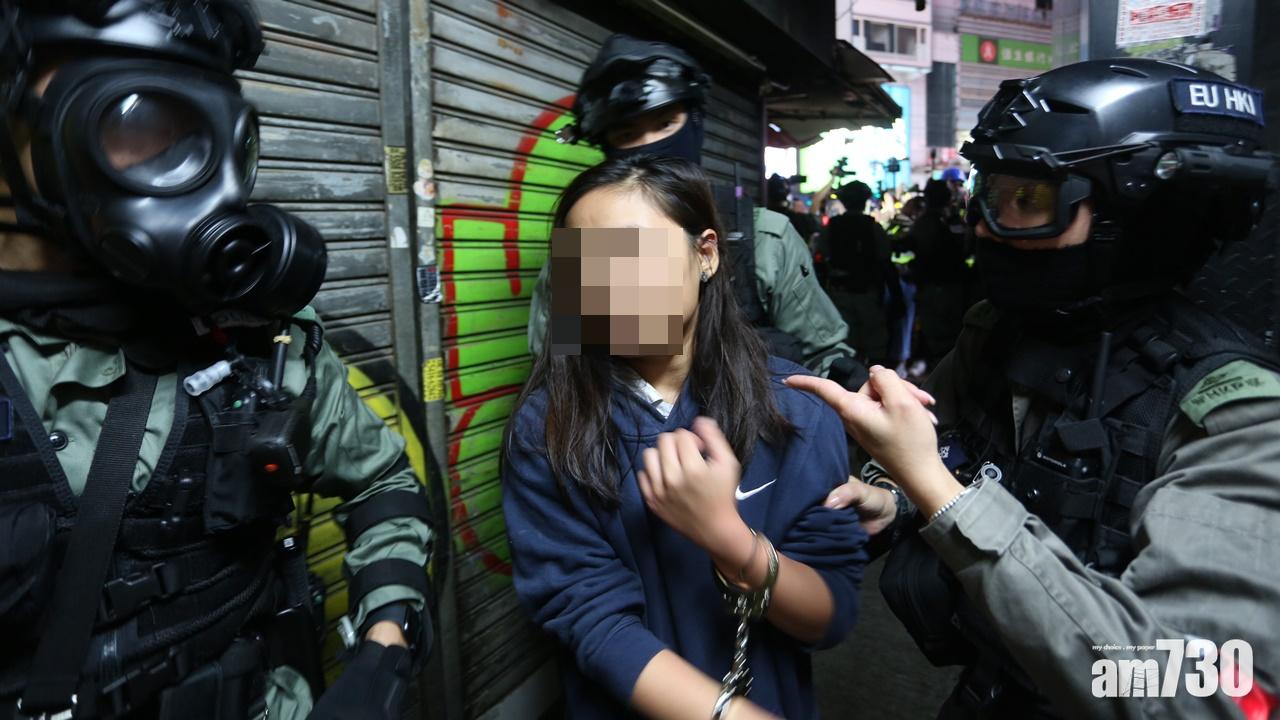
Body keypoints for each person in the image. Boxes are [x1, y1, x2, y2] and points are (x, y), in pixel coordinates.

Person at [789, 59, 1280, 718]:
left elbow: (1203, 695)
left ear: (1141, 218)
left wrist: (932, 489)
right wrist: (894, 497)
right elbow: (954, 452)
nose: (986, 227)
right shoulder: (998, 331)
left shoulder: (1238, 415)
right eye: (990, 195)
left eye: (1030, 201)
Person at [0, 3, 434, 718]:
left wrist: (383, 652)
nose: (187, 169)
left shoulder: (262, 341)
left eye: (206, 132)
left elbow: (380, 482)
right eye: (139, 120)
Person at [502, 155, 871, 719]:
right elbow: (591, 618)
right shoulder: (547, 428)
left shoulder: (796, 410)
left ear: (706, 254)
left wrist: (729, 540)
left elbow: (830, 615)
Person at [529, 33, 867, 390]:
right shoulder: (588, 244)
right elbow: (561, 373)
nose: (649, 148)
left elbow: (823, 356)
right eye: (627, 135)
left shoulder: (763, 237)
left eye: (664, 125)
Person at [825, 181, 897, 366]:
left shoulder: (832, 226)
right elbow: (885, 262)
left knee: (847, 344)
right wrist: (897, 295)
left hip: (839, 293)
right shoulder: (872, 227)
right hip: (867, 293)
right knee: (876, 346)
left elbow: (822, 259)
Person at [909, 179, 970, 370]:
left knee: (936, 332)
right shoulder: (955, 220)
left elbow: (920, 249)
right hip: (953, 284)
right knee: (951, 330)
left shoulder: (926, 222)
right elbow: (966, 248)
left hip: (934, 284)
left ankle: (941, 370)